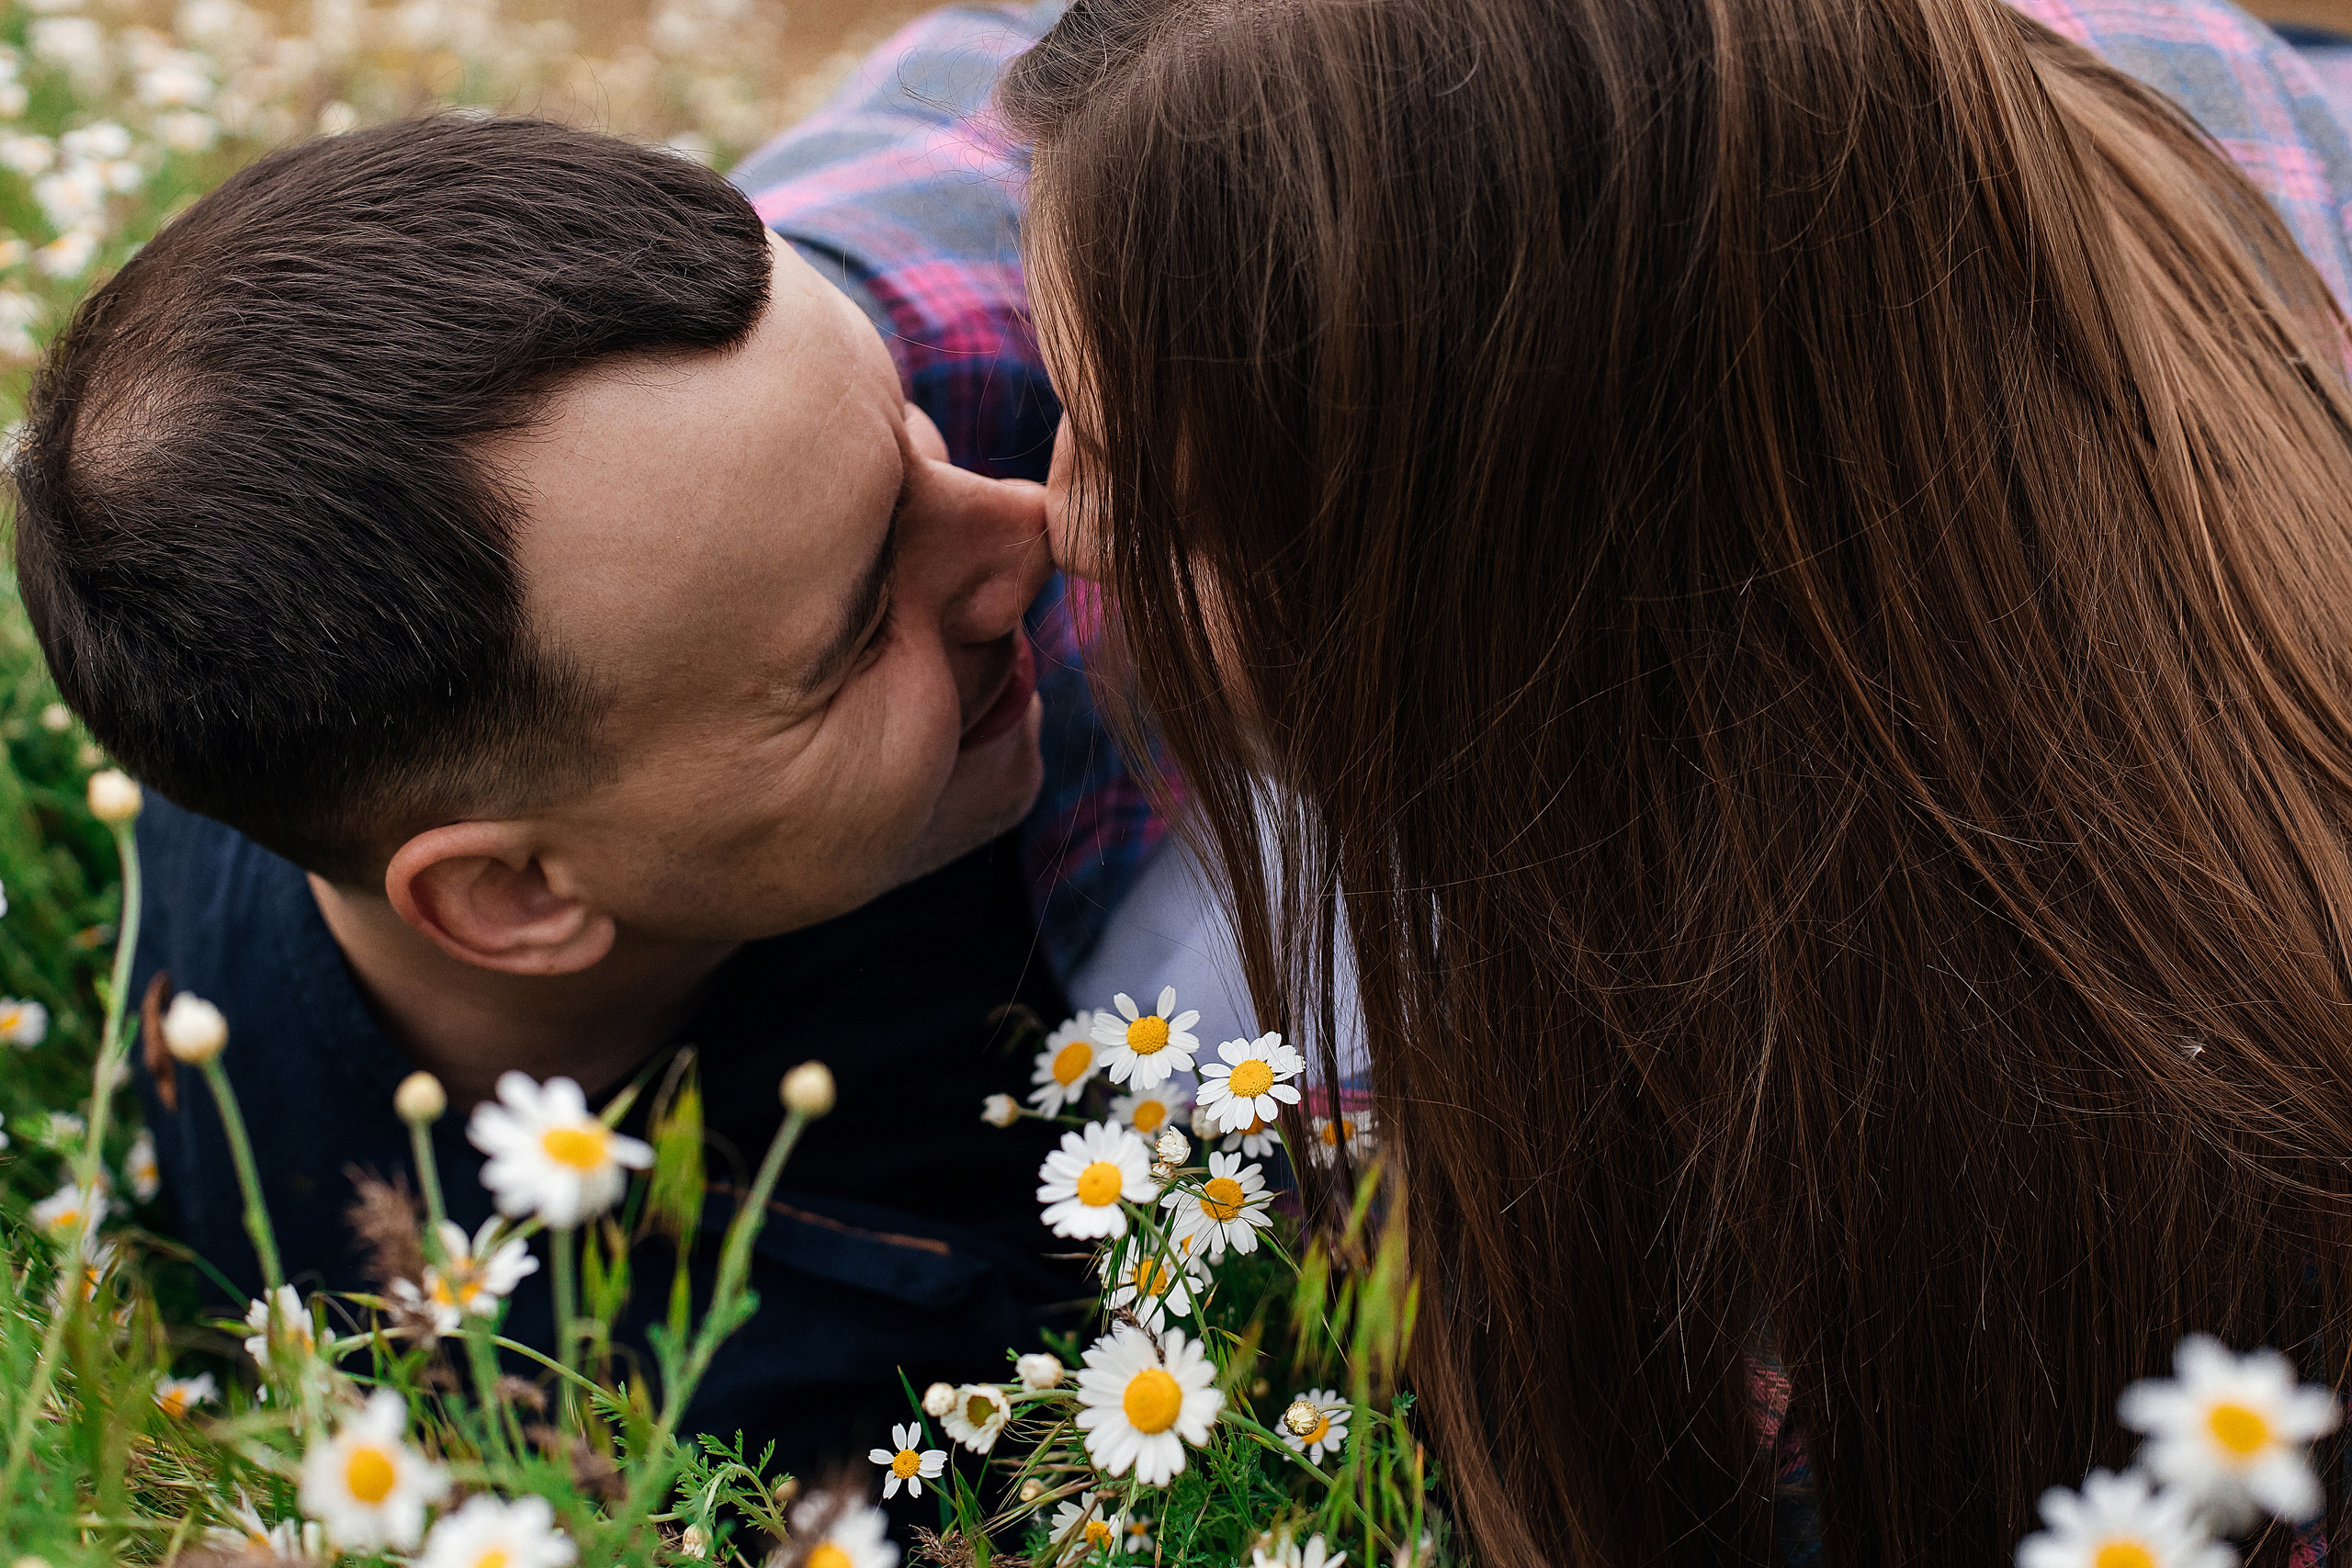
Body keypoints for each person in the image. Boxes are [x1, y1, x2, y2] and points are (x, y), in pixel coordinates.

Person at [1005, 0, 2352, 1561]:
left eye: (1166, 505)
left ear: (1519, 590)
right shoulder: (1954, 140)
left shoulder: (1783, 1277)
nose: (1061, 530)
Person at [5, 1, 1171, 1479]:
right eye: (863, 621)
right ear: (516, 894)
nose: (1046, 529)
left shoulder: (336, 671)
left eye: (908, 431)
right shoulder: (778, 1376)